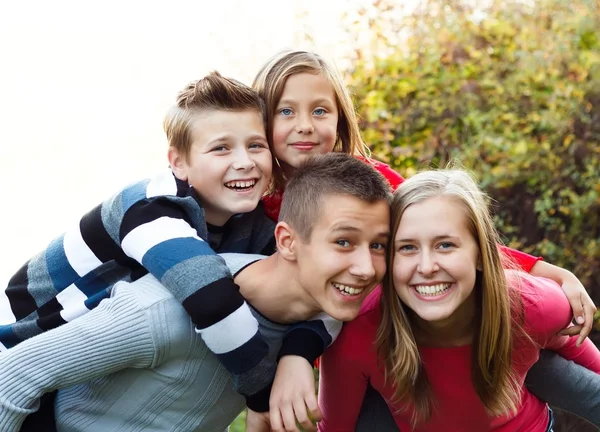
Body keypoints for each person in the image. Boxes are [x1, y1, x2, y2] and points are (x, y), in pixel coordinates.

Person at [250, 49, 598, 431]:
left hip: (432, 330)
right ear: (261, 121)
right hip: (368, 353)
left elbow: (451, 236)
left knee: (540, 370)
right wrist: (282, 367)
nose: (305, 126)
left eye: (319, 111)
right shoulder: (255, 210)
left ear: (340, 119)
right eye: (286, 111)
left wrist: (549, 271)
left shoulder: (372, 185)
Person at [0, 71, 334, 420]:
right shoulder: (148, 207)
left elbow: (315, 287)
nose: (244, 162)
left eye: (255, 145)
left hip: (81, 375)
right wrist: (263, 398)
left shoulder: (253, 227)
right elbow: (211, 300)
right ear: (178, 163)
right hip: (19, 351)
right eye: (221, 148)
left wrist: (298, 354)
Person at [0, 153, 392, 432]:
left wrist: (297, 354)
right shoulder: (161, 312)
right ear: (287, 242)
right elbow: (10, 377)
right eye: (343, 242)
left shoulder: (327, 309)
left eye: (378, 245)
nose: (366, 268)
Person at [318, 168, 600, 431]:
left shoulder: (533, 305)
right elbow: (334, 427)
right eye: (407, 247)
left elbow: (584, 364)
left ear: (480, 253)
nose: (426, 267)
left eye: (445, 245)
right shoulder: (359, 333)